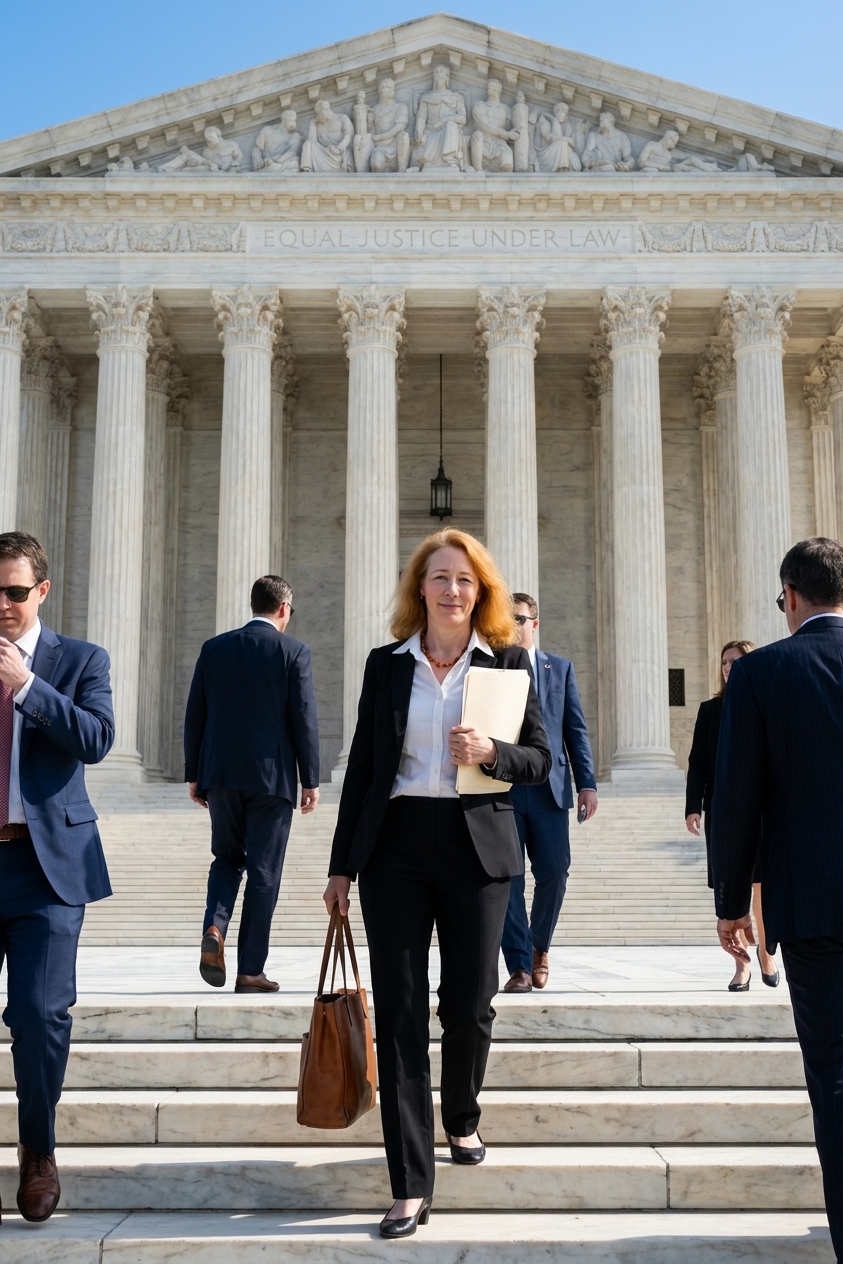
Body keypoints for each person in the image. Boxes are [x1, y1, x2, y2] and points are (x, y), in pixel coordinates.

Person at [323, 529, 550, 1239]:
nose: (451, 590)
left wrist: (492, 753)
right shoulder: (385, 666)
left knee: (469, 1003)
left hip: (475, 843)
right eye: (439, 577)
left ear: (479, 593)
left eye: (464, 580)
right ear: (417, 587)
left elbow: (540, 759)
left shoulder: (507, 663)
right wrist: (339, 865)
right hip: (394, 844)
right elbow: (363, 767)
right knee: (397, 1011)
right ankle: (409, 1184)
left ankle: (461, 1115)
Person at [712, 537, 843, 1262]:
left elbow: (737, 798)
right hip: (815, 900)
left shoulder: (762, 672)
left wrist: (732, 903)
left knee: (832, 1072)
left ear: (789, 596)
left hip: (814, 904)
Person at [0, 531, 114, 1223]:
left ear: (41, 591)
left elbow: (97, 739)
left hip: (44, 868)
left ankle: (37, 1151)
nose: (3, 605)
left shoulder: (79, 661)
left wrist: (28, 687)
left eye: (15, 592)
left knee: (39, 1016)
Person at [184, 575, 320, 994]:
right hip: (271, 777)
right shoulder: (293, 651)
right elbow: (304, 717)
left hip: (221, 775)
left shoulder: (214, 648)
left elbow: (195, 715)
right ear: (283, 609)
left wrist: (194, 774)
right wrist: (310, 778)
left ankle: (215, 925)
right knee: (264, 873)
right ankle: (250, 971)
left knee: (226, 859)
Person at [500, 593, 597, 992]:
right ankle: (520, 966)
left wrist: (587, 782)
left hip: (550, 791)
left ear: (534, 623)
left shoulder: (559, 668)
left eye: (519, 620)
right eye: (506, 620)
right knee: (508, 880)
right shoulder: (493, 665)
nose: (513, 627)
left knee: (554, 873)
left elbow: (574, 728)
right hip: (502, 789)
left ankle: (541, 946)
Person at [686, 639, 779, 990]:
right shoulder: (711, 710)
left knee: (761, 888)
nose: (728, 668)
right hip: (723, 813)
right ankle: (741, 966)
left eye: (736, 661)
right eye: (724, 662)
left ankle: (766, 954)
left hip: (762, 812)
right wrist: (693, 806)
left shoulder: (766, 705)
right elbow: (698, 764)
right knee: (729, 892)